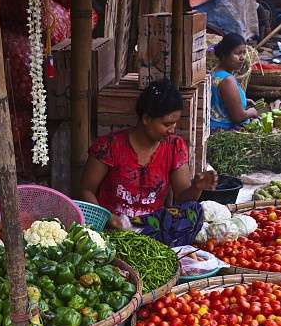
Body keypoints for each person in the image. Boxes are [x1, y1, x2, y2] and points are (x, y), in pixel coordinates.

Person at [80, 79, 217, 246]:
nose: (172, 130)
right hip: (114, 225)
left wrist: (197, 187)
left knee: (194, 211)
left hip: (153, 228)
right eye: (166, 124)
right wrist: (109, 219)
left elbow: (183, 198)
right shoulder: (109, 146)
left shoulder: (175, 146)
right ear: (146, 119)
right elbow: (86, 190)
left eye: (175, 123)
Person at [210, 33, 258, 132]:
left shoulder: (215, 73)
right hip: (225, 131)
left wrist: (242, 99)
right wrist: (252, 112)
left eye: (244, 53)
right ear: (224, 55)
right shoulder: (228, 80)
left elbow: (221, 99)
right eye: (237, 53)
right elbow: (238, 117)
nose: (242, 57)